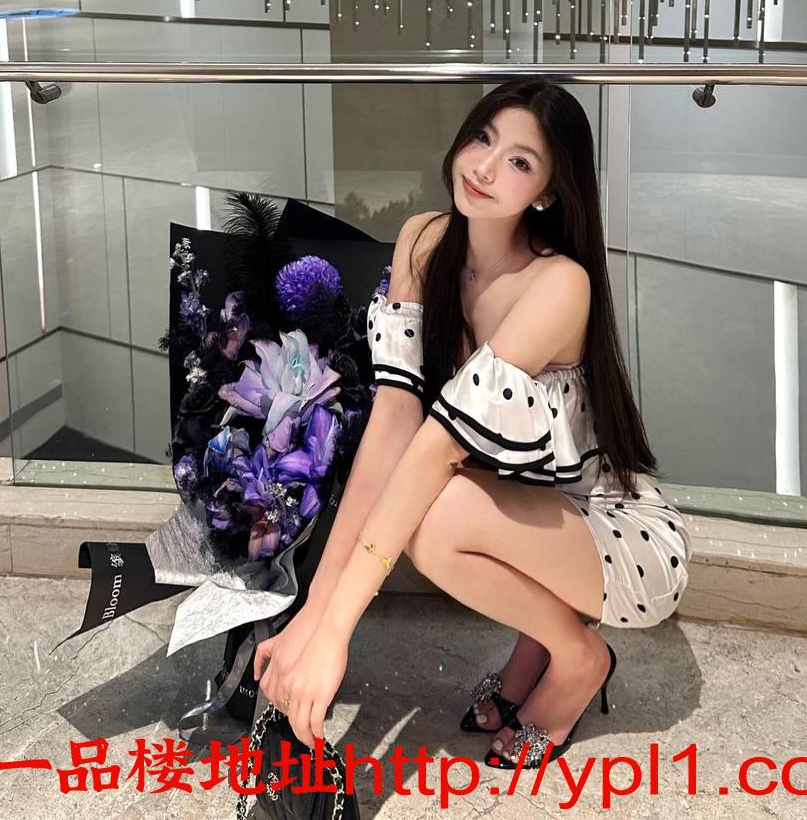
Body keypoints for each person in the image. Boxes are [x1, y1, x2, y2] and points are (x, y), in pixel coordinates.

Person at [253, 75, 693, 768]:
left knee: (435, 518)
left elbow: (433, 452)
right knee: (427, 500)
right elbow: (393, 425)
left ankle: (577, 657)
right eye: (483, 138)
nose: (485, 168)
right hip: (532, 514)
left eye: (519, 160)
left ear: (546, 191)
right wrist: (313, 614)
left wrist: (335, 634)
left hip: (617, 537)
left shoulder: (559, 283)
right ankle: (541, 644)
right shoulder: (425, 242)